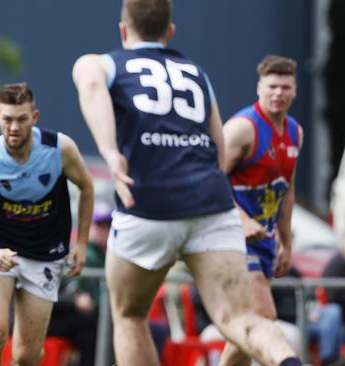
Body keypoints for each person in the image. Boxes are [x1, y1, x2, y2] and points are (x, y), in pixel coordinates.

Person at [72, 0, 302, 365]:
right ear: (170, 32)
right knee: (241, 317)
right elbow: (218, 146)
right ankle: (289, 361)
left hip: (148, 204)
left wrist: (109, 150)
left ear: (122, 30)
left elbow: (91, 85)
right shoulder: (196, 73)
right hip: (211, 205)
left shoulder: (104, 62)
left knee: (130, 315)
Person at [0, 82, 94, 366]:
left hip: (45, 253)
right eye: (7, 119)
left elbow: (87, 186)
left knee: (26, 355)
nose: (14, 127)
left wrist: (81, 243)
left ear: (34, 117)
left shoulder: (59, 149)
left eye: (22, 119)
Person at [220, 55, 304, 364]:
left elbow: (288, 189)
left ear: (295, 91)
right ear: (259, 88)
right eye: (272, 86)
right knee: (263, 315)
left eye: (285, 87)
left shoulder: (295, 132)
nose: (278, 93)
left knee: (248, 328)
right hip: (232, 238)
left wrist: (286, 240)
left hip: (264, 240)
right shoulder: (243, 128)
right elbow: (211, 180)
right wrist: (242, 220)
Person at [47, 202, 110, 366]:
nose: (104, 231)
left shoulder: (105, 255)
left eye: (108, 226)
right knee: (94, 324)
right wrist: (75, 299)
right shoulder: (86, 254)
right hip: (50, 313)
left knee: (92, 329)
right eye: (100, 226)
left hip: (69, 314)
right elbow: (73, 293)